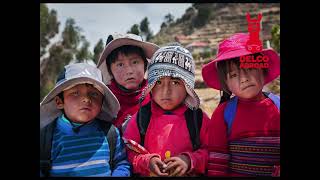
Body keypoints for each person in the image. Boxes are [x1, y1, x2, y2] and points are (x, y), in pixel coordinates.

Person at [123, 43, 209, 176]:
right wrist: (147, 161)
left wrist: (189, 160)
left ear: (188, 87)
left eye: (175, 82)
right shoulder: (141, 118)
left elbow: (211, 151)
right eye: (158, 82)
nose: (166, 91)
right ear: (150, 86)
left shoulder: (198, 119)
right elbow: (128, 152)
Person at [202, 33, 280, 176]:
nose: (244, 78)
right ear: (226, 85)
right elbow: (218, 164)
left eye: (249, 68)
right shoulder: (223, 114)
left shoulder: (278, 107)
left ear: (263, 70)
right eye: (234, 75)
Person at [40, 63, 131, 177]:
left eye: (94, 94)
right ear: (59, 102)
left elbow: (121, 163)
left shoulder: (110, 133)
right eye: (75, 93)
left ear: (101, 103)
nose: (86, 99)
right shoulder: (46, 139)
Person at [96, 33, 159, 130]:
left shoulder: (156, 94)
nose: (129, 71)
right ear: (110, 70)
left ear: (145, 65)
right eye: (120, 64)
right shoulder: (103, 101)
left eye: (135, 62)